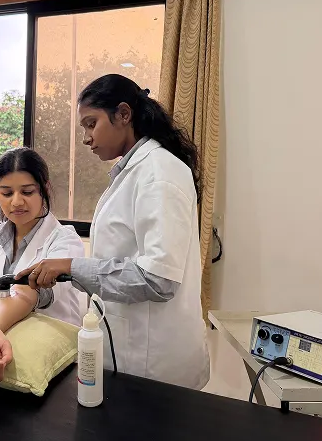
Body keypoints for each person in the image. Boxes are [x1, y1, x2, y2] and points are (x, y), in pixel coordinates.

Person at [17, 74, 210, 390]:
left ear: (123, 114)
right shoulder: (134, 171)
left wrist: (70, 267)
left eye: (91, 124)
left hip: (153, 365)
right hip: (130, 353)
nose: (86, 138)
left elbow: (158, 280)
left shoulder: (158, 173)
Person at [0, 147, 84, 382]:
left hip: (49, 367)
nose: (17, 202)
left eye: (27, 192)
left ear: (45, 189)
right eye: (7, 193)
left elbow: (32, 291)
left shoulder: (65, 242)